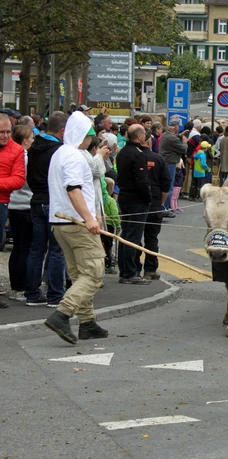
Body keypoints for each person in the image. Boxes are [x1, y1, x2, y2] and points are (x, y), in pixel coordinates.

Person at [44, 111, 108, 344]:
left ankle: (87, 323)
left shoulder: (62, 153)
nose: (92, 140)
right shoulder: (73, 156)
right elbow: (73, 189)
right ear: (83, 135)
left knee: (80, 273)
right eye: (90, 135)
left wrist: (91, 216)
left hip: (61, 222)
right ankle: (62, 314)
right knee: (94, 272)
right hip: (76, 223)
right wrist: (89, 218)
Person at [25, 112, 68, 307]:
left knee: (36, 250)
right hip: (54, 202)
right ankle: (55, 295)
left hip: (36, 200)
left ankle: (32, 294)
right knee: (56, 250)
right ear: (62, 130)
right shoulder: (59, 150)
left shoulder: (34, 146)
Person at [116, 124, 152, 285]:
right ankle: (130, 272)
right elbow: (142, 180)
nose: (145, 136)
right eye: (144, 133)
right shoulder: (138, 154)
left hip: (124, 196)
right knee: (133, 238)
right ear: (139, 136)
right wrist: (148, 197)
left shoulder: (122, 152)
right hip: (137, 199)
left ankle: (124, 270)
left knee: (125, 235)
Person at [7, 126, 34, 302]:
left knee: (17, 247)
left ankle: (15, 286)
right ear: (24, 140)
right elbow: (29, 182)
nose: (33, 140)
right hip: (25, 204)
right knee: (25, 248)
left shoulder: (12, 156)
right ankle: (21, 287)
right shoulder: (25, 158)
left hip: (12, 204)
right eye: (31, 137)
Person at [141, 132, 171, 280]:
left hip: (133, 204)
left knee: (132, 238)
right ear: (148, 142)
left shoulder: (127, 154)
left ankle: (131, 269)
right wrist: (160, 203)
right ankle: (150, 270)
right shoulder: (158, 158)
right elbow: (166, 184)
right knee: (151, 238)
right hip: (154, 203)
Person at [159, 119, 187, 213]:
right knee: (169, 185)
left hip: (165, 161)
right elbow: (183, 149)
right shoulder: (172, 138)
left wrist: (179, 136)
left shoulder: (165, 134)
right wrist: (184, 141)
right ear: (175, 128)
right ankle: (166, 207)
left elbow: (173, 139)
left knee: (166, 184)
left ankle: (166, 206)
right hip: (170, 162)